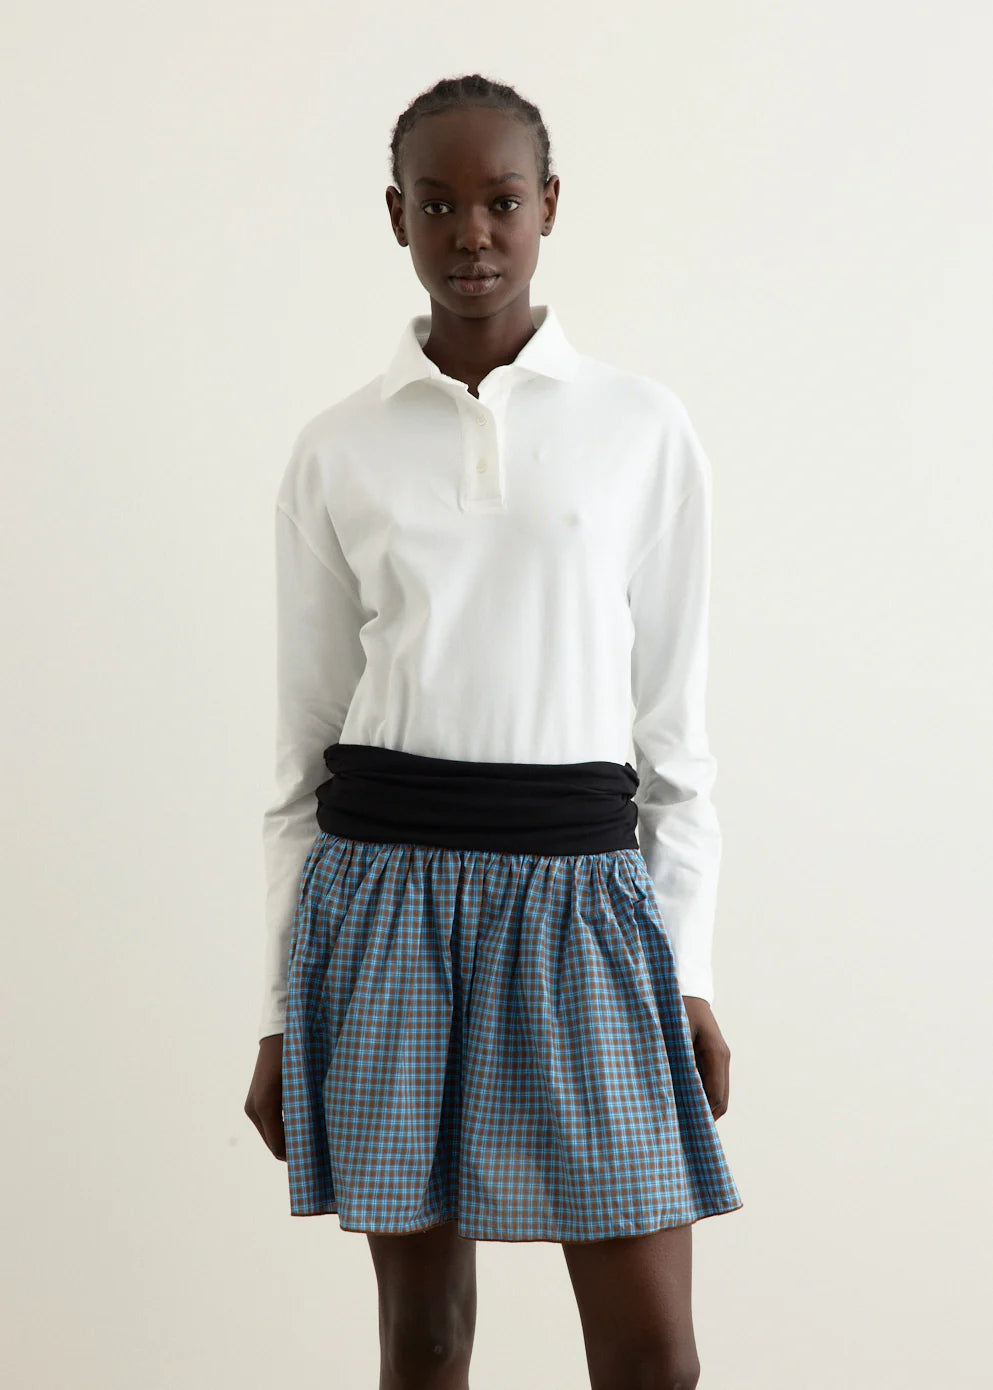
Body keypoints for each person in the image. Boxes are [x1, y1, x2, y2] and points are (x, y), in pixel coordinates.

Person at [244, 71, 742, 1390]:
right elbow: (300, 758)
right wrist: (279, 1007)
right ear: (396, 216)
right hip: (385, 902)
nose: (471, 231)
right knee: (424, 1337)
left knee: (654, 1355)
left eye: (501, 201)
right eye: (438, 203)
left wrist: (686, 966)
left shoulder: (641, 427)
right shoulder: (339, 448)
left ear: (549, 206)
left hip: (582, 902)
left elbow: (675, 743)